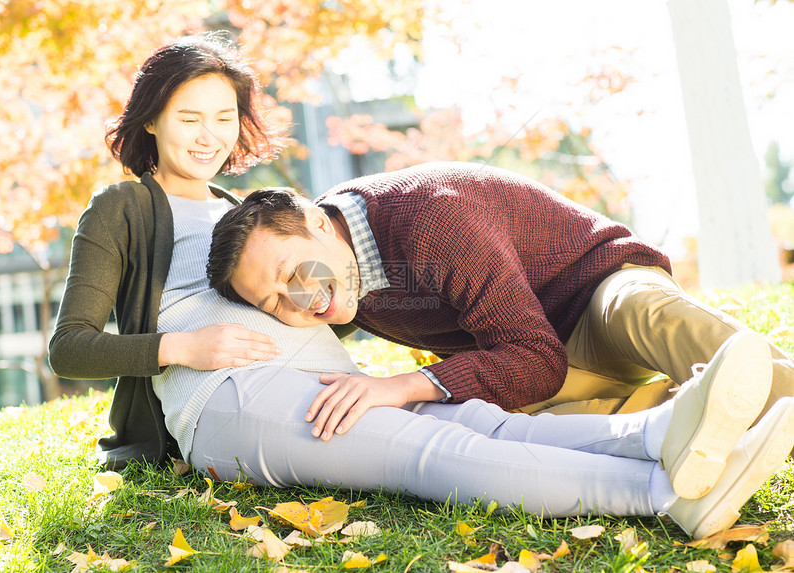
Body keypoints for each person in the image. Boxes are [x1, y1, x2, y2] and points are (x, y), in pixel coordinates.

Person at [49, 35, 793, 541]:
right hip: (237, 397)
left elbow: (332, 281)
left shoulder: (247, 218)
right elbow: (69, 348)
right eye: (188, 118)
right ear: (149, 119)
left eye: (222, 117)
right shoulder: (124, 209)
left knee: (484, 414)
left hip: (400, 357)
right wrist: (186, 344)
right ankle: (667, 486)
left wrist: (396, 379)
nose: (207, 135)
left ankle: (684, 428)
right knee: (439, 444)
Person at [206, 161, 794, 499]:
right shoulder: (338, 283)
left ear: (315, 221)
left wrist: (405, 385)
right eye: (273, 301)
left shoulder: (429, 218)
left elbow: (536, 355)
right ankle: (695, 430)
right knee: (517, 435)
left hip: (592, 294)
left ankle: (777, 392)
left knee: (650, 314)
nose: (299, 301)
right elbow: (533, 369)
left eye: (290, 273)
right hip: (537, 364)